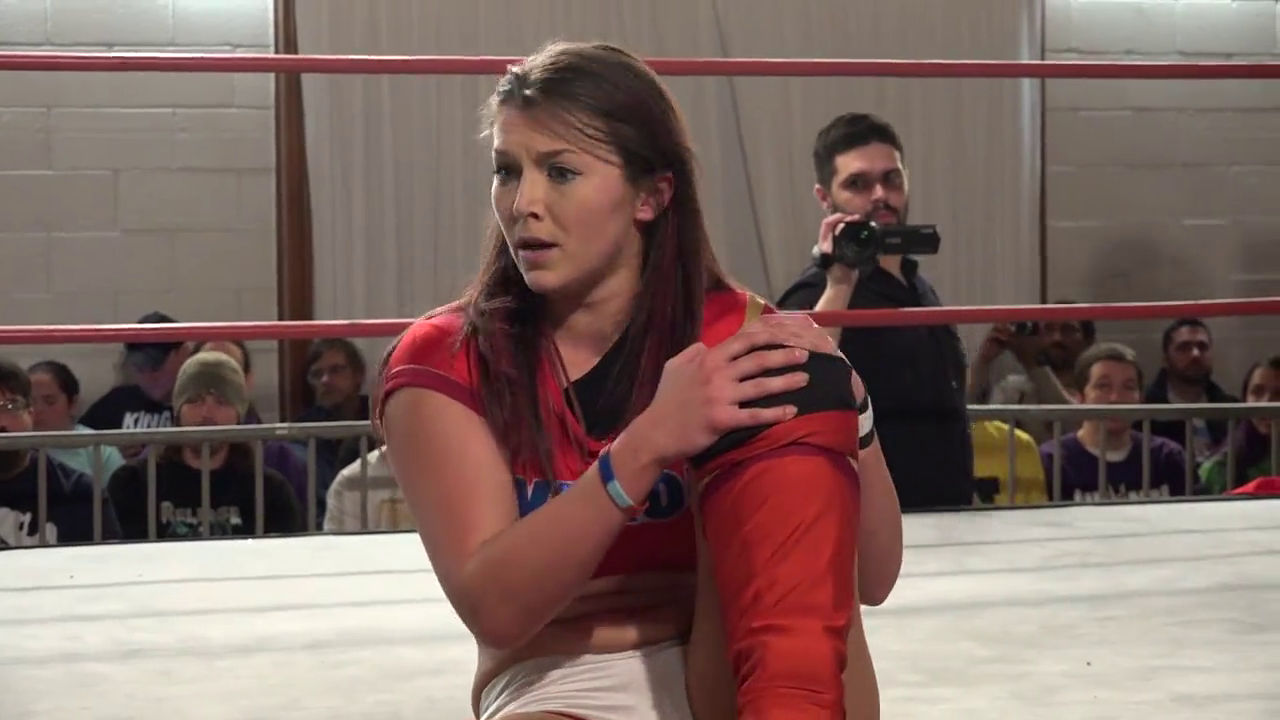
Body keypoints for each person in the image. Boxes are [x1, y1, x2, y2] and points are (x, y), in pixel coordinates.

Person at [378, 41, 902, 720]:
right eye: (507, 171)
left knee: (793, 390)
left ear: (651, 196)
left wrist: (850, 412)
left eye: (560, 172)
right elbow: (498, 612)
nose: (524, 203)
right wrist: (646, 445)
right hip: (562, 676)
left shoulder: (738, 332)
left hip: (729, 659)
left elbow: (873, 579)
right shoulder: (447, 360)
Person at [775, 112, 972, 510]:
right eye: (858, 184)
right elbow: (794, 384)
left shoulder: (918, 285)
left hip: (948, 512)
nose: (881, 194)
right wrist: (840, 283)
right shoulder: (818, 290)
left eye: (892, 178)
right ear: (825, 198)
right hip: (872, 520)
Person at [108, 352, 304, 540]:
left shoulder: (269, 491)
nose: (207, 413)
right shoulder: (132, 484)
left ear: (239, 415)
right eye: (195, 400)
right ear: (178, 411)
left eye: (221, 402)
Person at [0, 357, 122, 547]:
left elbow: (110, 561)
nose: (2, 421)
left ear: (30, 413)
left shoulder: (79, 493)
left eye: (11, 407)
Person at [26, 360, 127, 482]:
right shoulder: (13, 447)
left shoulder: (98, 449)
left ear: (73, 404)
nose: (37, 409)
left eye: (49, 401)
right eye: (30, 402)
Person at [1198, 356, 1280, 494]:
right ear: (1245, 399)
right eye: (1257, 392)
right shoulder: (1219, 467)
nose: (1266, 402)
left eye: (1278, 393)